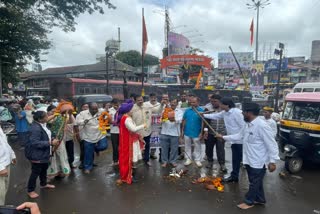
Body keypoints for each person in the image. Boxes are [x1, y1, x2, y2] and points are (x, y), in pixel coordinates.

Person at [216, 103, 279, 209]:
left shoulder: (262, 126)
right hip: (249, 159)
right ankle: (260, 199)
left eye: (243, 112)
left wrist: (272, 161)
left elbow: (272, 144)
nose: (242, 114)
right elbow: (239, 136)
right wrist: (223, 137)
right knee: (255, 181)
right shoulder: (247, 124)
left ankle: (249, 201)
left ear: (249, 113)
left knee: (254, 182)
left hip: (258, 161)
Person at [203, 97, 245, 183]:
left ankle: (238, 177)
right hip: (233, 140)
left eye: (221, 104)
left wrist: (224, 137)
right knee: (235, 160)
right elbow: (215, 116)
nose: (220, 105)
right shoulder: (225, 112)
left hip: (240, 141)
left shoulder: (237, 113)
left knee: (241, 160)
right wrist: (202, 115)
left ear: (227, 105)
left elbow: (243, 128)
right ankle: (234, 176)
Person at [25, 111, 58, 199]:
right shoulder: (35, 128)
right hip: (37, 154)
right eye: (46, 116)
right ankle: (30, 190)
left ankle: (43, 184)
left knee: (44, 169)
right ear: (40, 119)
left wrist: (52, 137)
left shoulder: (43, 124)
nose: (48, 117)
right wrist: (50, 142)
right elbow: (34, 143)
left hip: (44, 153)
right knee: (35, 172)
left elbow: (47, 134)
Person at [131, 95, 165, 166]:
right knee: (136, 147)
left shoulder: (147, 106)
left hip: (147, 131)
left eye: (141, 100)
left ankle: (146, 160)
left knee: (147, 146)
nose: (140, 101)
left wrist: (161, 104)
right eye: (138, 100)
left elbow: (158, 110)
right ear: (135, 101)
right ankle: (135, 161)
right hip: (137, 132)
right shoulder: (132, 108)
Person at [118, 100, 146, 184]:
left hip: (131, 140)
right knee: (131, 158)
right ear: (127, 111)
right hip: (130, 142)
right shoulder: (127, 119)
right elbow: (133, 129)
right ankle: (130, 175)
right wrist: (143, 125)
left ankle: (131, 174)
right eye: (131, 110)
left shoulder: (125, 117)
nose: (132, 111)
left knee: (131, 158)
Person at [75, 102, 108, 174]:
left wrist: (107, 111)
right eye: (93, 109)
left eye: (96, 109)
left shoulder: (101, 112)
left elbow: (107, 114)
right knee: (88, 153)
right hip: (88, 136)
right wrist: (84, 121)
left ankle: (96, 149)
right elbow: (77, 122)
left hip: (100, 134)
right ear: (89, 108)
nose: (95, 110)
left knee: (104, 146)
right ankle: (87, 167)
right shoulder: (82, 114)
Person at [46, 105, 72, 178]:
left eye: (55, 111)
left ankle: (60, 172)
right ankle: (50, 174)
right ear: (48, 111)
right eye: (52, 111)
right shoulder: (45, 117)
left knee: (61, 156)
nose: (54, 112)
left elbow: (70, 122)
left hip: (60, 140)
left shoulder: (61, 117)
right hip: (49, 141)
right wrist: (54, 115)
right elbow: (46, 121)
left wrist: (70, 114)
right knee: (52, 157)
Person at [203, 95, 227, 172]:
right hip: (210, 132)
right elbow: (205, 121)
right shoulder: (208, 109)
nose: (213, 103)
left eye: (215, 101)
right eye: (212, 101)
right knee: (209, 148)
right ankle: (210, 162)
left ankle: (222, 164)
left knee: (220, 149)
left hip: (221, 133)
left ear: (220, 101)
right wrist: (205, 131)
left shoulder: (224, 109)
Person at [181, 97, 204, 167]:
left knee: (197, 146)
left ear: (198, 102)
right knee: (187, 146)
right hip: (187, 131)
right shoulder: (187, 110)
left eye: (194, 102)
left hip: (197, 131)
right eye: (191, 102)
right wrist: (182, 131)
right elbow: (184, 120)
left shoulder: (202, 110)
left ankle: (197, 160)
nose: (192, 104)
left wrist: (201, 132)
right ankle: (188, 159)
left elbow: (203, 122)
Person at [160, 99, 183, 167]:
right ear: (170, 103)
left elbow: (180, 120)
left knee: (174, 149)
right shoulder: (165, 110)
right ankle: (164, 161)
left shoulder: (179, 111)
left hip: (175, 133)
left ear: (177, 104)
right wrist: (165, 118)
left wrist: (174, 119)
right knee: (164, 149)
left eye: (174, 102)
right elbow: (161, 119)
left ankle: (173, 161)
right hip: (164, 132)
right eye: (172, 102)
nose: (173, 104)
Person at [0, 127, 16, 205]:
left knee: (4, 189)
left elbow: (4, 143)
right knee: (0, 192)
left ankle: (2, 206)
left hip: (6, 163)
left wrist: (12, 155)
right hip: (1, 166)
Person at [146, 93, 161, 160]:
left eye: (154, 97)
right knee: (147, 139)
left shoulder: (159, 105)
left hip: (157, 126)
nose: (153, 99)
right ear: (149, 98)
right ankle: (145, 153)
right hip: (148, 125)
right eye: (152, 97)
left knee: (155, 140)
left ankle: (152, 153)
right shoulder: (146, 104)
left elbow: (161, 113)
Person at [75, 103, 89, 169]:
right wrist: (77, 135)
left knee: (90, 149)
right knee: (83, 149)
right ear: (82, 108)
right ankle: (82, 162)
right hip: (82, 135)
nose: (86, 108)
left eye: (87, 107)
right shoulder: (79, 115)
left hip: (90, 135)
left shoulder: (90, 115)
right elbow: (76, 126)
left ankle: (90, 162)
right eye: (84, 107)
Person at [109, 99, 120, 166]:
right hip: (114, 131)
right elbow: (108, 120)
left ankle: (121, 159)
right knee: (115, 147)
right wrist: (114, 122)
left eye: (117, 104)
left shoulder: (122, 109)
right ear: (112, 104)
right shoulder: (110, 111)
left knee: (121, 147)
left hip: (121, 131)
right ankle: (115, 160)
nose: (116, 105)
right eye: (115, 104)